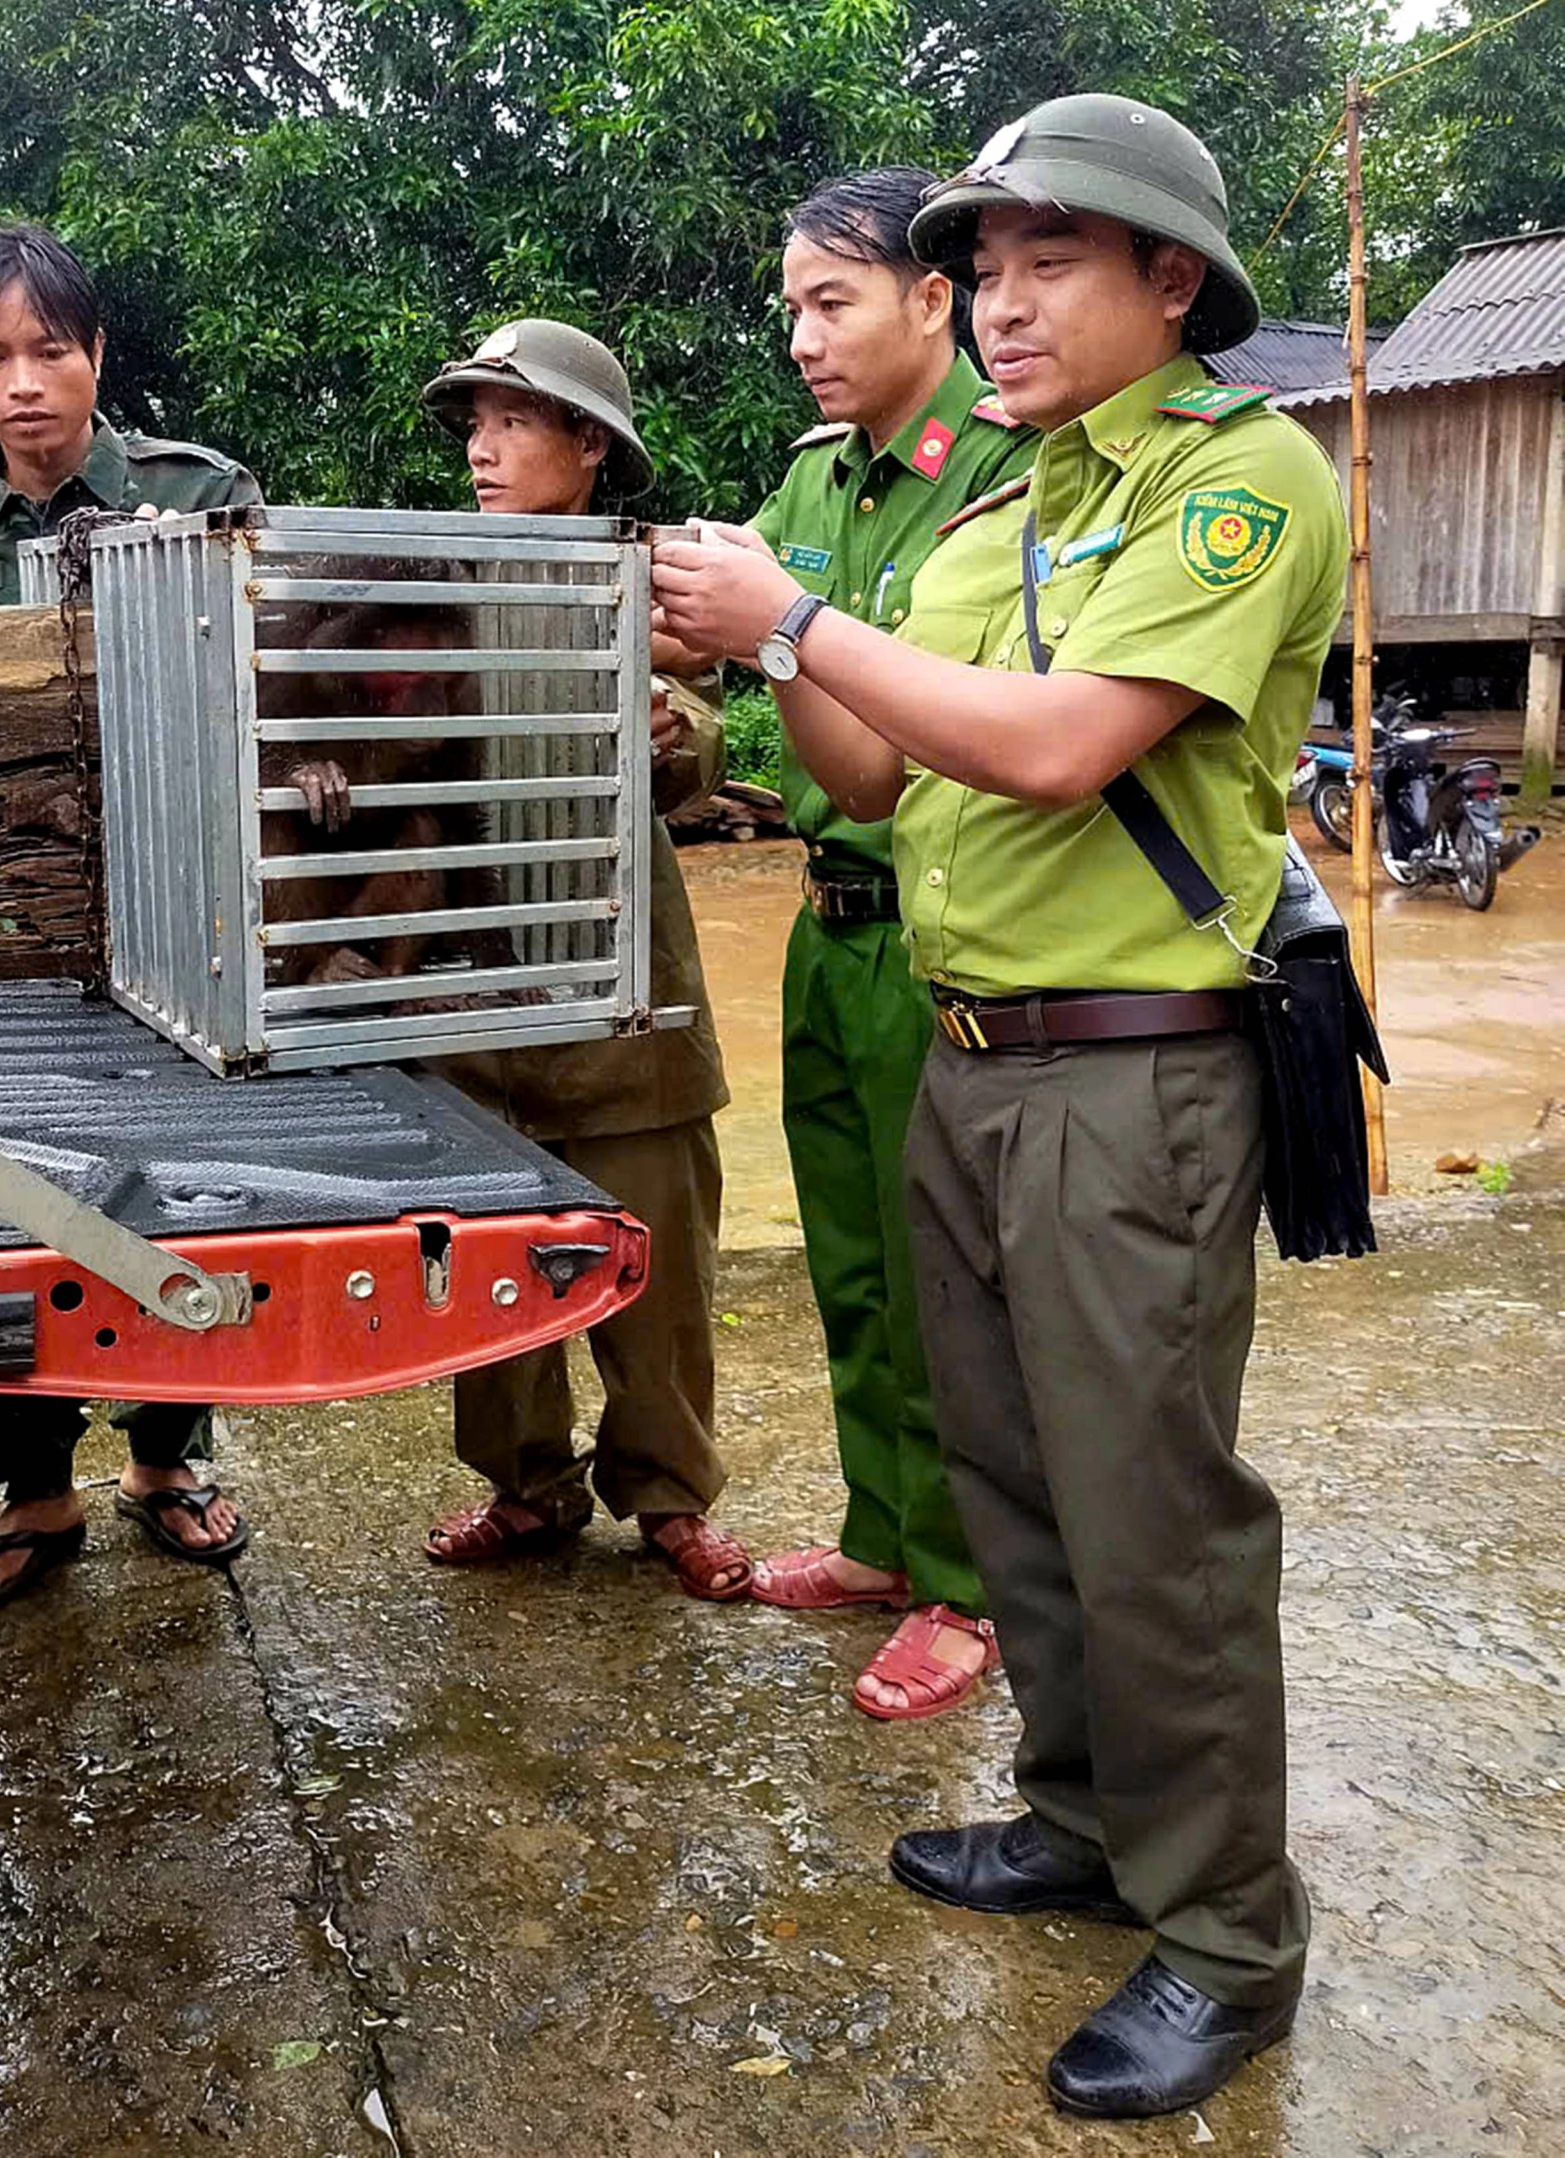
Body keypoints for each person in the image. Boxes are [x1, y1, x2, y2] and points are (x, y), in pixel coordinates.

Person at [650, 96, 1347, 2118]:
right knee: (1022, 1482)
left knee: (1155, 1520)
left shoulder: (1240, 484)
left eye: (1058, 258)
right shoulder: (994, 513)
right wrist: (763, 639)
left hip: (1137, 1074)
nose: (1007, 299)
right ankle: (1080, 1815)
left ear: (1171, 282)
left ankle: (1226, 1929)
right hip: (970, 1065)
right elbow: (872, 778)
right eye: (989, 261)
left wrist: (790, 616)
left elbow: (1056, 748)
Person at [0, 222, 262, 1613]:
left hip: (183, 903)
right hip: (16, 915)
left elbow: (261, 673)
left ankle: (168, 1461)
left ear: (98, 356)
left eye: (52, 349)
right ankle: (31, 1490)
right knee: (11, 1192)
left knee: (177, 1184)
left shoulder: (201, 491)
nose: (26, 383)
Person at [746, 169, 1036, 1720]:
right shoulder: (815, 480)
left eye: (831, 300)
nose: (802, 336)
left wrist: (772, 621)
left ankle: (966, 1582)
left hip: (940, 929)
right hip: (822, 916)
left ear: (934, 299)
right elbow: (794, 710)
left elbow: (898, 755)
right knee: (851, 1260)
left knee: (950, 1279)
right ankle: (879, 1530)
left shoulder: (1008, 470)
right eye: (792, 305)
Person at [416, 318, 751, 1602]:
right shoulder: (428, 584)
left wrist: (669, 725)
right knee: (487, 1273)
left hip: (624, 1000)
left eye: (511, 423)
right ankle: (525, 1488)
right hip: (467, 987)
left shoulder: (648, 579)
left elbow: (700, 743)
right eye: (475, 429)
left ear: (590, 446)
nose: (483, 452)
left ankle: (669, 1497)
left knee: (655, 1268)